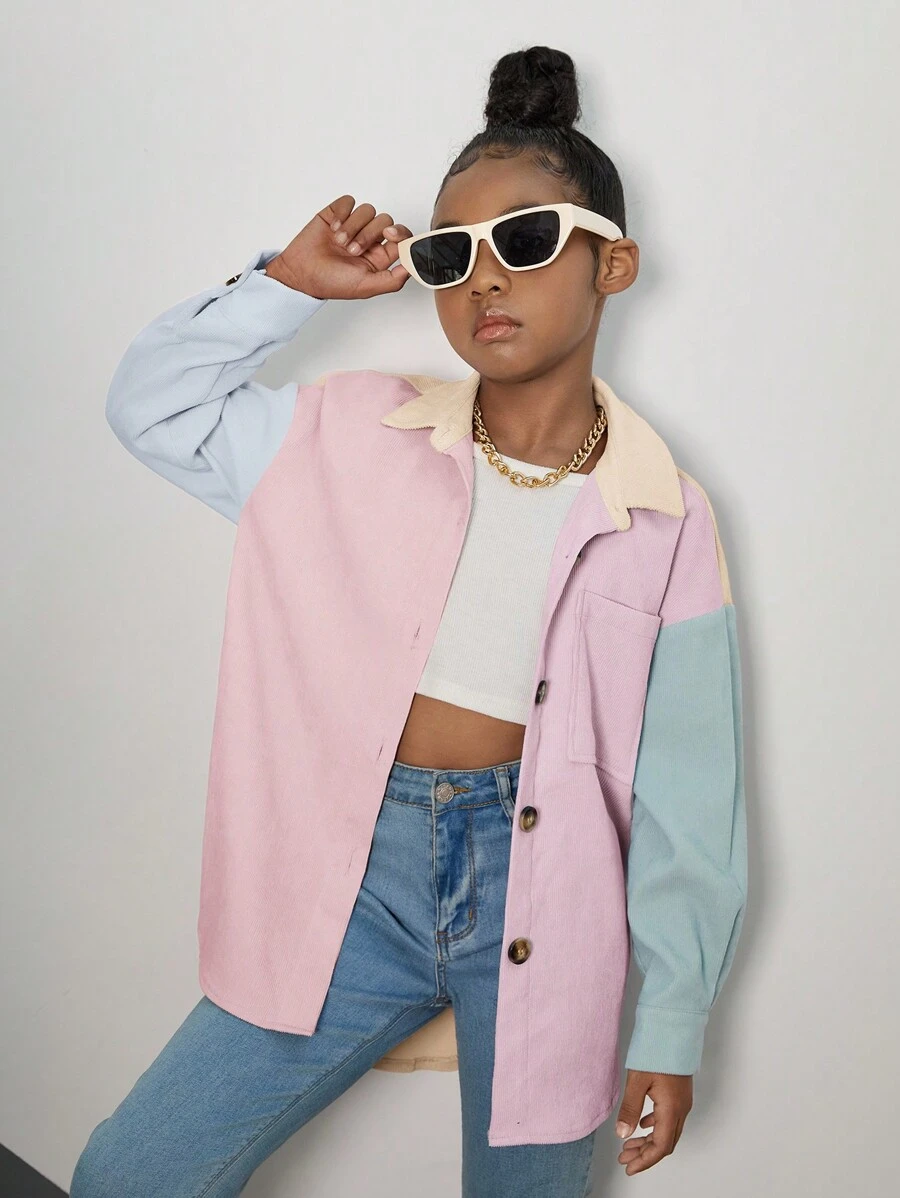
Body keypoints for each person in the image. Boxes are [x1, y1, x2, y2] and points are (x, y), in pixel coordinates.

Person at [71, 44, 747, 1198]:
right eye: (450, 254)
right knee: (130, 1174)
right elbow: (154, 406)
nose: (485, 280)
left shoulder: (663, 515)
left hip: (549, 903)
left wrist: (674, 1022)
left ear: (613, 263)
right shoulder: (343, 436)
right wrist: (288, 285)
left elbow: (692, 796)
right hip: (352, 883)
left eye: (524, 241)